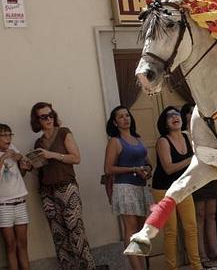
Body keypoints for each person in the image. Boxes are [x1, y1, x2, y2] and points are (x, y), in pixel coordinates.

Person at [30, 102, 96, 269]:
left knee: (76, 233)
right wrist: (29, 165)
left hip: (66, 187)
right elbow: (41, 169)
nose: (49, 119)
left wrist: (51, 154)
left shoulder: (64, 133)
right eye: (44, 116)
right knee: (59, 237)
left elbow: (76, 158)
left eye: (50, 114)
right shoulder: (38, 143)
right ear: (37, 120)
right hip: (47, 191)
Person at [151, 106, 201, 270]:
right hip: (164, 189)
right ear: (165, 123)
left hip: (183, 187)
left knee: (191, 227)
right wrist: (193, 159)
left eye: (177, 114)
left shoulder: (188, 138)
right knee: (171, 231)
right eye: (169, 116)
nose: (175, 117)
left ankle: (197, 267)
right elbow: (169, 168)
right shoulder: (163, 141)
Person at [104, 106, 153, 270]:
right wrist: (133, 169)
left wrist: (147, 170)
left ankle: (140, 265)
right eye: (121, 116)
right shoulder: (115, 141)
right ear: (115, 122)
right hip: (125, 187)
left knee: (140, 230)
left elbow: (148, 162)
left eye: (127, 115)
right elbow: (108, 169)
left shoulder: (138, 139)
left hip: (141, 186)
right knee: (130, 228)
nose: (126, 118)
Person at [181, 103, 217, 269]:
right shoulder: (184, 135)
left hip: (210, 176)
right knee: (199, 215)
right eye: (188, 112)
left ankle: (214, 250)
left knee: (212, 215)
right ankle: (201, 254)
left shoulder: (205, 130)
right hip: (197, 177)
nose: (191, 115)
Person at [0, 123, 32, 270]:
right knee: (10, 245)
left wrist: (22, 164)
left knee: (23, 243)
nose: (8, 138)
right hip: (4, 205)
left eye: (9, 134)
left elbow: (21, 174)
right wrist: (4, 157)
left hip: (20, 201)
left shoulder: (14, 148)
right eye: (4, 135)